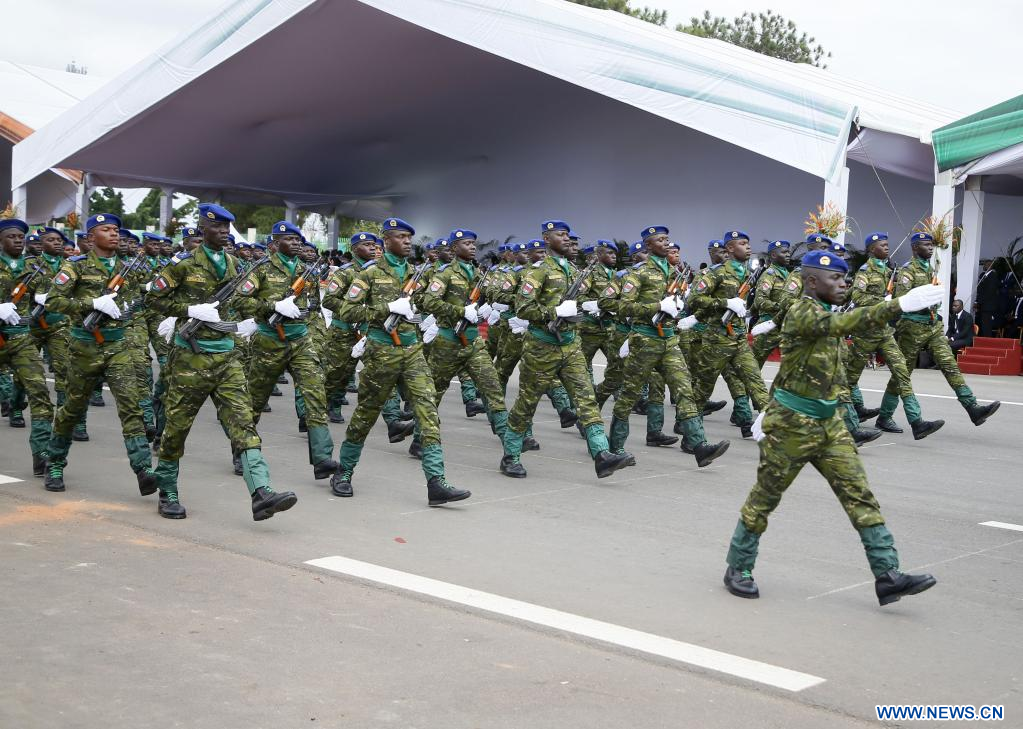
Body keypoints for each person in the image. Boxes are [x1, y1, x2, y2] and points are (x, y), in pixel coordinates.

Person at [723, 250, 942, 606]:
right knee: (764, 498)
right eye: (835, 279)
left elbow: (804, 370)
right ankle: (738, 566)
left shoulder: (823, 312)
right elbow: (844, 324)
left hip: (829, 425)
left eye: (844, 278)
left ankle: (887, 575)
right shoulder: (802, 312)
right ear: (812, 281)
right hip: (792, 426)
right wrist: (899, 304)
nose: (844, 284)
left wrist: (769, 406)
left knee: (859, 495)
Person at [146, 203, 298, 521]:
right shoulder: (183, 266)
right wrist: (189, 311)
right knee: (177, 428)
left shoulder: (232, 264)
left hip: (226, 356)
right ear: (203, 229)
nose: (224, 233)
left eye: (228, 228)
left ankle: (261, 492)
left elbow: (239, 300)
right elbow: (153, 299)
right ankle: (167, 491)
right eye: (217, 227)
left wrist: (252, 320)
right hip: (191, 357)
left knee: (243, 422)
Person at [332, 217, 471, 505]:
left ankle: (436, 482)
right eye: (401, 237)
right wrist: (386, 309)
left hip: (412, 352)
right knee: (365, 415)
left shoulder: (415, 274)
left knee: (428, 412)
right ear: (386, 241)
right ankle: (343, 472)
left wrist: (444, 311)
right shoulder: (369, 275)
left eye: (410, 237)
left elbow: (427, 303)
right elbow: (346, 310)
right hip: (381, 352)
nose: (407, 241)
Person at [501, 220, 629, 479]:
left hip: (570, 345)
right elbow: (523, 308)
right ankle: (510, 455)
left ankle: (601, 454)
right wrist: (554, 311)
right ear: (546, 239)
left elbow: (579, 301)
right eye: (561, 235)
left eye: (568, 235)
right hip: (541, 346)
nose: (567, 239)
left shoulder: (572, 269)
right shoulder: (538, 272)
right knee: (527, 402)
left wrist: (587, 307)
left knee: (586, 399)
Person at [43, 213, 156, 494]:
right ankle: (55, 462)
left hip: (118, 346)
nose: (114, 234)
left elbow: (141, 297)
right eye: (106, 230)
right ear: (91, 238)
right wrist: (92, 302)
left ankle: (143, 470)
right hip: (84, 347)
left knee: (131, 408)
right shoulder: (76, 266)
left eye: (116, 230)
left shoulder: (127, 267)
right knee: (72, 409)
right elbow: (53, 301)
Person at [611, 226, 729, 467]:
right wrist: (657, 306)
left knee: (684, 390)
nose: (666, 243)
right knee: (629, 394)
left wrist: (681, 311)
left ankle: (699, 446)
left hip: (670, 339)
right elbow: (623, 307)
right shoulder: (639, 273)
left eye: (667, 239)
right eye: (660, 240)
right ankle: (615, 448)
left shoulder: (674, 272)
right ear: (648, 247)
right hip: (645, 340)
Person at [233, 220, 338, 483]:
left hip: (300, 339)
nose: (296, 244)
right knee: (255, 400)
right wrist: (272, 307)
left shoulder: (306, 270)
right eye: (289, 240)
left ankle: (322, 458)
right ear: (276, 243)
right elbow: (239, 299)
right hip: (269, 342)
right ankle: (241, 450)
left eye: (298, 240)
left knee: (315, 393)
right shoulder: (262, 269)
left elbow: (312, 305)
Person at [418, 228, 523, 477]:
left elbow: (493, 292)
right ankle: (419, 438)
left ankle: (511, 455)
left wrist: (502, 302)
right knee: (434, 394)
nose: (473, 247)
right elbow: (427, 301)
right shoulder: (444, 274)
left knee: (493, 393)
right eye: (467, 243)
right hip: (447, 342)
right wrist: (458, 311)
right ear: (454, 249)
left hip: (474, 343)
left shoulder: (478, 272)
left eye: (474, 243)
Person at [879, 232, 1000, 429]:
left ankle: (972, 407)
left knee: (949, 363)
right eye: (925, 245)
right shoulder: (908, 271)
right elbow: (902, 300)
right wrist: (923, 300)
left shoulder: (931, 268)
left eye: (931, 245)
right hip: (912, 327)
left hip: (932, 326)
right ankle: (884, 416)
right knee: (902, 374)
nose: (930, 248)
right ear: (915, 248)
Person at [841, 233, 942, 440]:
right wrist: (883, 299)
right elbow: (858, 297)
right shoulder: (865, 271)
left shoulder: (890, 270)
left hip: (885, 332)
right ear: (871, 249)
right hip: (866, 331)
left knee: (902, 372)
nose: (887, 248)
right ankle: (846, 421)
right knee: (850, 378)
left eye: (888, 245)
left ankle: (917, 422)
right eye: (882, 245)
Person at [0, 218, 54, 475]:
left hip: (21, 337)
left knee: (40, 393)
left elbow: (45, 297)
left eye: (21, 236)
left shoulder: (35, 266)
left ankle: (42, 453)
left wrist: (47, 299)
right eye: (12, 236)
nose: (18, 240)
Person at [748, 239, 791, 368]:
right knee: (754, 367)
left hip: (785, 327)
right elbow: (760, 301)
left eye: (788, 252)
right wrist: (780, 307)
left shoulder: (789, 275)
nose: (788, 254)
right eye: (784, 252)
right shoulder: (768, 275)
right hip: (768, 327)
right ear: (773, 255)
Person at [976, 259, 999, 337]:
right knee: (984, 324)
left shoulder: (992, 276)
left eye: (985, 265)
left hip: (988, 305)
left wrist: (978, 302)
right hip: (985, 305)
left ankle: (987, 341)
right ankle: (984, 339)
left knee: (987, 325)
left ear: (989, 266)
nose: (984, 266)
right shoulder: (985, 275)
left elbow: (989, 292)